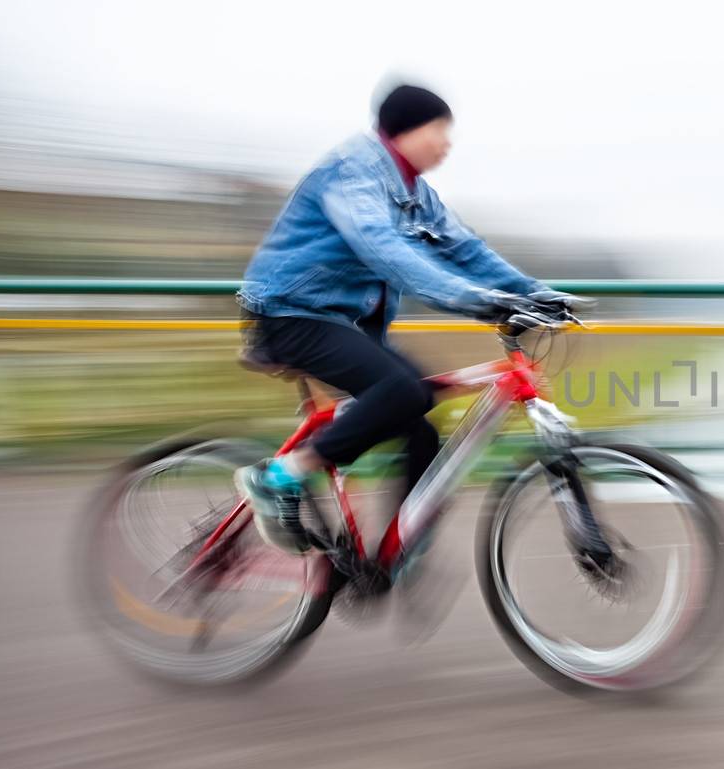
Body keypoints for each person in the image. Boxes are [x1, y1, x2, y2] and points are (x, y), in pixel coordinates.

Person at [234, 84, 587, 554]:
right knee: (400, 391)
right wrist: (476, 300)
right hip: (290, 313)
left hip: (340, 323)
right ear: (407, 129)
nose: (447, 143)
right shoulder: (353, 173)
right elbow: (384, 249)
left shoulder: (416, 192)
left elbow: (466, 249)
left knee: (419, 416)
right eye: (440, 130)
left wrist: (537, 295)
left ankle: (398, 548)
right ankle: (278, 478)